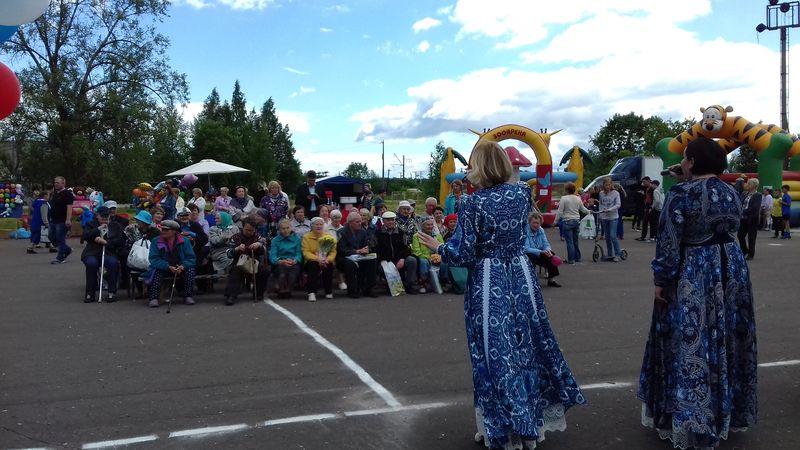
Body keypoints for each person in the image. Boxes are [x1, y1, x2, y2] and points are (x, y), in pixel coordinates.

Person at [416, 140, 584, 448]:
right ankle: (531, 420)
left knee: (494, 350)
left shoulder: (473, 203)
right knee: (527, 343)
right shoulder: (522, 194)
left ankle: (502, 424)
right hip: (521, 274)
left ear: (480, 167)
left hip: (490, 279)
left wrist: (439, 247)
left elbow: (464, 252)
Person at [639, 137, 757, 448]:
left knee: (691, 336)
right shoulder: (732, 192)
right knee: (727, 335)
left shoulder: (680, 194)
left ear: (691, 161)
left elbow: (669, 241)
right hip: (732, 269)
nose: (683, 162)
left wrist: (661, 279)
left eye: (686, 158)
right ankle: (725, 410)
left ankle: (693, 414)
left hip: (697, 270)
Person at [147, 220, 196, 308]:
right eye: (162, 229)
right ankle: (154, 298)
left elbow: (191, 258)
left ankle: (188, 296)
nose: (163, 231)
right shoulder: (156, 241)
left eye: (166, 230)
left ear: (174, 231)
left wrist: (183, 266)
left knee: (190, 270)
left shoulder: (184, 241)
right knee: (156, 271)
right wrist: (168, 266)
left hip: (180, 268)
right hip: (164, 267)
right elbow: (154, 259)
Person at [81, 206, 125, 303]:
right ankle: (90, 293)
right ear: (97, 215)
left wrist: (107, 242)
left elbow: (120, 240)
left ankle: (112, 292)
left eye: (106, 216)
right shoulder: (90, 224)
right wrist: (97, 230)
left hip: (109, 252)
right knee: (91, 264)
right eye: (102, 216)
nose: (105, 219)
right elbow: (85, 236)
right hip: (92, 252)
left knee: (113, 263)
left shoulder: (115, 225)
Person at [224, 218, 269, 305]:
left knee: (264, 270)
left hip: (254, 263)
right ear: (243, 228)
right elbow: (228, 253)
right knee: (235, 271)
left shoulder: (258, 237)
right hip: (239, 263)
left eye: (251, 230)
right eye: (247, 230)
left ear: (254, 229)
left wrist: (259, 244)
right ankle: (230, 296)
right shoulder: (235, 237)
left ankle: (258, 293)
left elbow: (265, 249)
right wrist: (237, 248)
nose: (249, 232)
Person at [376, 211, 419, 294]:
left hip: (399, 259)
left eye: (392, 220)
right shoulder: (377, 233)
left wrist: (402, 258)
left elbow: (405, 247)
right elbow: (375, 249)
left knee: (412, 260)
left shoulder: (401, 232)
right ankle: (391, 286)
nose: (390, 222)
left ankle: (409, 285)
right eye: (388, 220)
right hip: (385, 260)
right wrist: (381, 260)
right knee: (381, 268)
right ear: (383, 221)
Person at [336, 212, 377, 298]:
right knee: (350, 264)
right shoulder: (341, 232)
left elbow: (366, 245)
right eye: (357, 222)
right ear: (350, 223)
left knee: (372, 261)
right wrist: (357, 251)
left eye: (360, 221)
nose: (360, 223)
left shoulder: (362, 232)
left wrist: (367, 249)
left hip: (359, 256)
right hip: (344, 257)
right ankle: (352, 291)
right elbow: (342, 250)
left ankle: (368, 289)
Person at [302, 217, 337, 301]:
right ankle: (311, 292)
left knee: (328, 266)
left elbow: (333, 252)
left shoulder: (328, 236)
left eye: (321, 224)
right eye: (316, 224)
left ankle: (328, 291)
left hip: (325, 260)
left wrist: (328, 259)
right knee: (313, 266)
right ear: (312, 226)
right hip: (312, 260)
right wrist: (318, 259)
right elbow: (306, 252)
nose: (319, 226)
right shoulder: (306, 237)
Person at [555, 182, 591, 264]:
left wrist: (555, 221)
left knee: (569, 242)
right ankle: (577, 257)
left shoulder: (564, 198)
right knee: (575, 241)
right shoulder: (578, 198)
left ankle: (571, 259)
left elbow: (560, 211)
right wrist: (589, 211)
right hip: (576, 220)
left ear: (566, 190)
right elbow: (583, 209)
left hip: (567, 221)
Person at [524, 211, 561, 287]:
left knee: (551, 255)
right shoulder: (525, 231)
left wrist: (548, 251)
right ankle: (532, 281)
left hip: (541, 252)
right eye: (533, 223)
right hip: (529, 253)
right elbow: (526, 249)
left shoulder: (541, 230)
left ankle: (551, 280)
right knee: (531, 257)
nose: (535, 225)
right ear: (529, 223)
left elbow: (546, 244)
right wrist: (541, 252)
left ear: (540, 223)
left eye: (537, 223)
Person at [270, 219, 302, 298]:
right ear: (279, 230)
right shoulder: (275, 240)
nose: (286, 230)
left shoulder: (297, 239)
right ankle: (281, 290)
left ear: (291, 228)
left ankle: (288, 290)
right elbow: (272, 256)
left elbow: (299, 254)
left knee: (292, 275)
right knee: (282, 275)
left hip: (293, 261)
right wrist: (280, 261)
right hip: (280, 262)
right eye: (283, 228)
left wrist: (295, 260)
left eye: (287, 228)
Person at [411, 218, 444, 293]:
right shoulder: (417, 236)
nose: (430, 226)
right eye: (428, 225)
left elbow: (442, 246)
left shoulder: (438, 235)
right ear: (422, 226)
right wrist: (428, 258)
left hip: (436, 256)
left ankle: (443, 282)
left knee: (444, 261)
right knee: (423, 262)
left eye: (431, 224)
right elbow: (416, 251)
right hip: (423, 257)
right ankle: (424, 282)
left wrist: (438, 257)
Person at [49, 176, 75, 264]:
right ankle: (67, 250)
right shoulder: (55, 194)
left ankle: (60, 258)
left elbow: (69, 207)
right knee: (51, 237)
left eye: (58, 183)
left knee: (60, 239)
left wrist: (68, 219)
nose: (55, 184)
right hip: (53, 220)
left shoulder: (67, 194)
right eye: (55, 182)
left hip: (62, 221)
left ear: (63, 183)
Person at [736, 178, 762, 260]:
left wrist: (743, 212)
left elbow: (755, 208)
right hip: (743, 218)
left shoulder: (758, 195)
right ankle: (744, 250)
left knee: (751, 237)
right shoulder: (745, 194)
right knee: (740, 235)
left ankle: (751, 254)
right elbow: (740, 203)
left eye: (749, 183)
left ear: (754, 185)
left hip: (752, 219)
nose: (747, 185)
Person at [598, 177, 622, 261]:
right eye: (606, 185)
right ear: (603, 185)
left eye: (609, 185)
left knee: (612, 236)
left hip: (613, 217)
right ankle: (610, 254)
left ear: (611, 185)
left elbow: (618, 204)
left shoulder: (615, 193)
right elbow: (600, 204)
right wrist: (600, 213)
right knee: (607, 237)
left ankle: (618, 254)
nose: (607, 186)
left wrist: (610, 209)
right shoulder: (601, 193)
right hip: (604, 217)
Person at [637, 177, 655, 241]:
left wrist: (651, 207)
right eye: (643, 182)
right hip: (647, 206)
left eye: (644, 182)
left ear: (648, 181)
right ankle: (643, 236)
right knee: (645, 222)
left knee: (651, 222)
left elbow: (653, 198)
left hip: (651, 207)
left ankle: (652, 237)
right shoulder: (646, 188)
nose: (643, 183)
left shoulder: (652, 189)